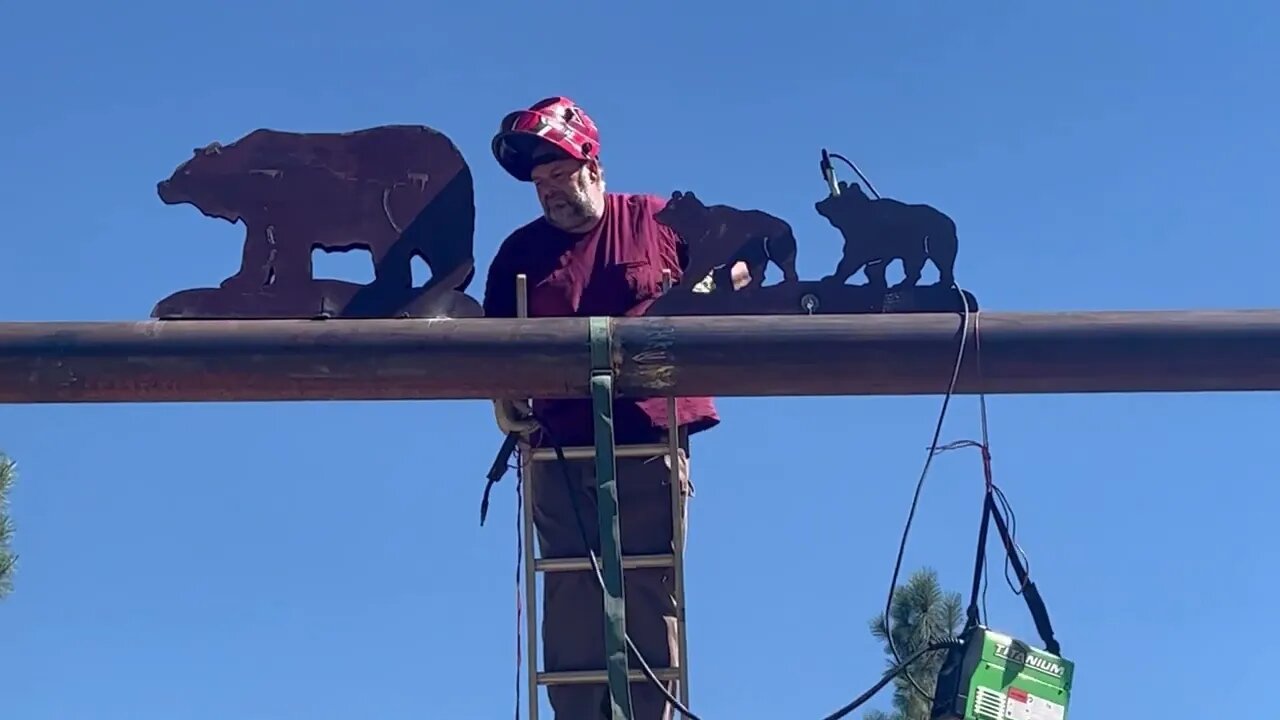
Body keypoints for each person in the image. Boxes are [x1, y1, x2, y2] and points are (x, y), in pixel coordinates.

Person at [483, 96, 720, 719]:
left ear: (593, 164)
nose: (551, 193)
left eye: (560, 176)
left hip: (650, 438)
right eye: (540, 184)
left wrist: (703, 294)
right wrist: (501, 399)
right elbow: (490, 349)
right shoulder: (519, 255)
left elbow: (740, 261)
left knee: (648, 586)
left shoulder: (657, 220)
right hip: (558, 447)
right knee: (568, 592)